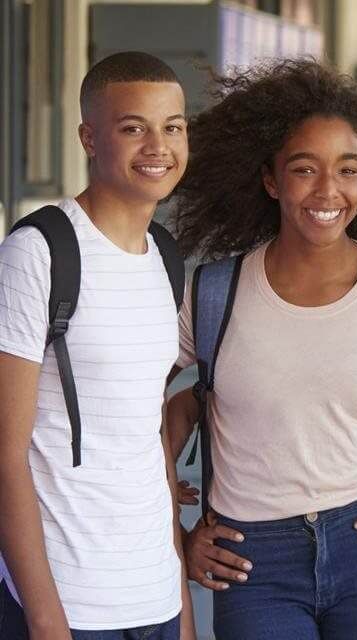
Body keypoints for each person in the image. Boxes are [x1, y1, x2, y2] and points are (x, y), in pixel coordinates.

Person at [161, 59, 357, 639]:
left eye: (347, 170)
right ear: (272, 180)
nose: (328, 191)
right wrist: (171, 528)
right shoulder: (211, 297)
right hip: (251, 560)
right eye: (305, 169)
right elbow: (135, 406)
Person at [0, 52, 194, 640]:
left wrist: (181, 604)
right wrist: (45, 617)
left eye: (174, 127)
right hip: (68, 601)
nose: (158, 146)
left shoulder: (166, 256)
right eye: (133, 127)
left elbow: (147, 433)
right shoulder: (38, 252)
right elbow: (5, 454)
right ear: (88, 137)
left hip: (153, 592)